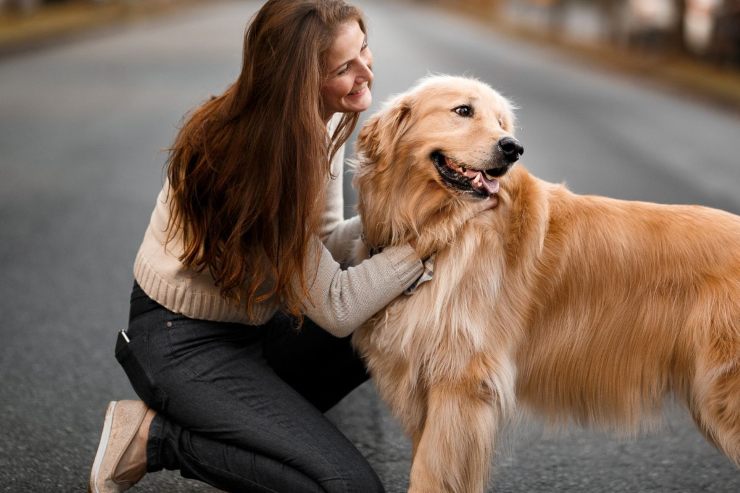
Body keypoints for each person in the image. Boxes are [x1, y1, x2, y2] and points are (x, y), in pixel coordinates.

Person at [88, 1, 495, 492]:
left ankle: (257, 424)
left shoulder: (317, 119)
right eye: (343, 68)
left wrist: (407, 221)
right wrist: (428, 239)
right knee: (346, 486)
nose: (366, 72)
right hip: (183, 341)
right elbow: (338, 307)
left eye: (363, 49)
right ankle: (157, 438)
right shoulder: (253, 160)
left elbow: (323, 244)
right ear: (299, 80)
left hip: (257, 327)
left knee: (393, 306)